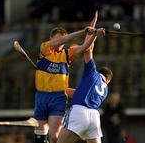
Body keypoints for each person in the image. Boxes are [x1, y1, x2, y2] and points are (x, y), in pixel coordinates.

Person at [34, 12, 104, 143]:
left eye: (63, 41)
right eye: (57, 40)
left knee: (54, 137)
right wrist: (83, 31)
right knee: (40, 135)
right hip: (41, 96)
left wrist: (93, 33)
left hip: (58, 97)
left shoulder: (67, 54)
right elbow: (61, 41)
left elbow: (85, 47)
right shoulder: (45, 48)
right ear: (51, 39)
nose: (60, 43)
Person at [56, 22, 113, 143]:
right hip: (94, 118)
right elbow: (78, 94)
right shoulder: (105, 90)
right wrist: (61, 90)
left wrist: (93, 33)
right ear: (107, 80)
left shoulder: (93, 72)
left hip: (79, 112)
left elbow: (87, 50)